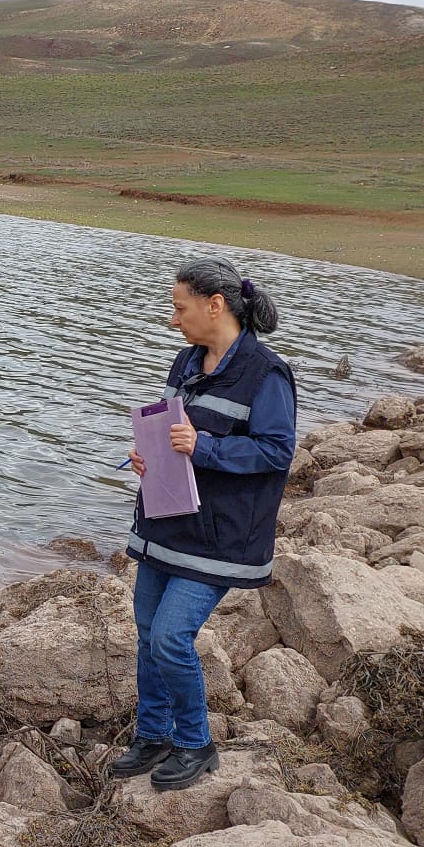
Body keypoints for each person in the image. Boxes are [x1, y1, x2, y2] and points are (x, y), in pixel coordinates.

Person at [112, 257, 296, 792]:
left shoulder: (267, 374)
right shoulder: (185, 361)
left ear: (214, 305)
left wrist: (205, 448)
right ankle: (152, 735)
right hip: (166, 521)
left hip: (221, 538)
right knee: (147, 636)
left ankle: (196, 744)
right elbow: (174, 430)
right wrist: (149, 456)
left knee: (171, 637)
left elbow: (277, 451)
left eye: (179, 307)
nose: (174, 319)